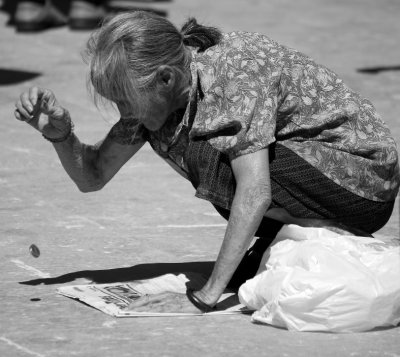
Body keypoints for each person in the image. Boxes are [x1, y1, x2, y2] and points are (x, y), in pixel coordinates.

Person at [14, 11, 399, 313]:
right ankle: (286, 239)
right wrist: (59, 135)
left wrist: (206, 294)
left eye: (125, 99)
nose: (122, 111)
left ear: (165, 78)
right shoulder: (161, 101)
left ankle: (332, 229)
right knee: (206, 154)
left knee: (209, 154)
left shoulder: (231, 74)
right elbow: (92, 176)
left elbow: (255, 190)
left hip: (362, 182)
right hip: (310, 176)